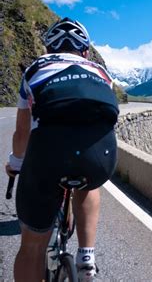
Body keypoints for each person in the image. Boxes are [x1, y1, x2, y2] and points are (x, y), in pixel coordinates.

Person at [4, 17, 119, 281]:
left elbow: (22, 133)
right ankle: (87, 258)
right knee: (89, 182)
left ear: (48, 50)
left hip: (48, 154)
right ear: (86, 52)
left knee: (32, 247)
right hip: (101, 156)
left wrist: (17, 165)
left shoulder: (35, 69)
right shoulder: (102, 73)